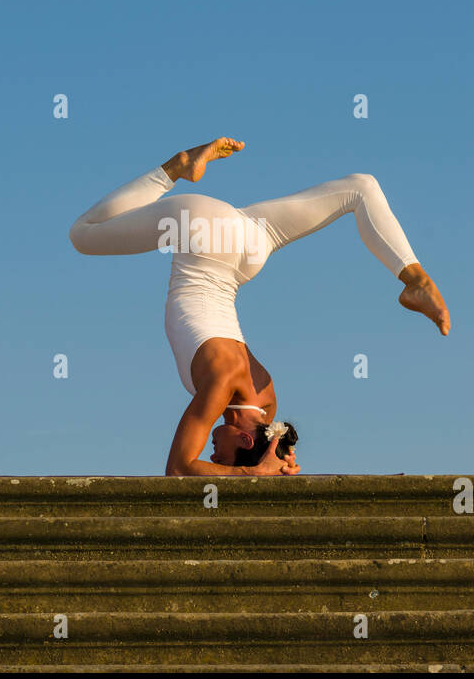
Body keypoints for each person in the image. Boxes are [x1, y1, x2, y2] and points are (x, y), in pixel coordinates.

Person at [69, 138, 450, 476]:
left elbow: (268, 433)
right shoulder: (222, 382)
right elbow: (180, 468)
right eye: (222, 456)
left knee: (359, 187)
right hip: (199, 230)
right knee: (83, 235)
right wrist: (255, 474)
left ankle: (415, 279)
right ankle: (176, 167)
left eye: (213, 457)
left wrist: (279, 455)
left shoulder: (266, 396)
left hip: (251, 240)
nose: (213, 454)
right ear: (244, 442)